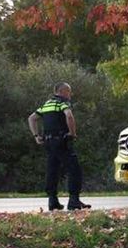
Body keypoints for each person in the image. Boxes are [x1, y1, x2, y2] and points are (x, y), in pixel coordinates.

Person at [27, 82, 90, 211]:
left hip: (48, 143)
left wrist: (36, 136)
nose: (70, 94)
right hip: (61, 141)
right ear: (62, 91)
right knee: (74, 169)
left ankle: (53, 201)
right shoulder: (62, 103)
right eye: (69, 91)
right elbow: (69, 116)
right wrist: (72, 133)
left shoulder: (47, 104)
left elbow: (31, 118)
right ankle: (73, 201)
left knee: (52, 171)